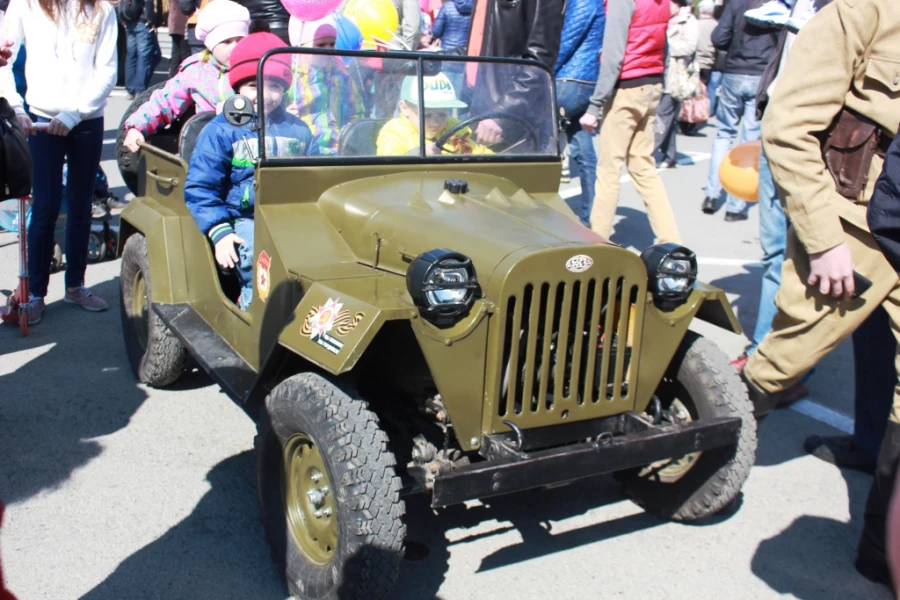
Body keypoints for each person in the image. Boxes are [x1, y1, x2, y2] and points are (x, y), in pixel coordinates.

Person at [740, 0, 900, 589]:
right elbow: (787, 124)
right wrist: (824, 239)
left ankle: (881, 554)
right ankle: (683, 463)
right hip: (853, 231)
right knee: (783, 360)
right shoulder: (865, 10)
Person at [0, 0, 117, 324]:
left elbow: (107, 69)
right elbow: (4, 61)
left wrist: (75, 112)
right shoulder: (26, 5)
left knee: (81, 204)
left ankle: (76, 285)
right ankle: (35, 292)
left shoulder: (102, 10)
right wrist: (17, 109)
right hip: (40, 120)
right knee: (45, 206)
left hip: (86, 118)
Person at [184, 32, 318, 310]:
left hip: (287, 214)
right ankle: (252, 312)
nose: (264, 95)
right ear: (237, 88)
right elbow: (201, 187)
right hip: (242, 216)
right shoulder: (221, 131)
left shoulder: (298, 129)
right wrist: (219, 232)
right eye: (252, 84)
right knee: (258, 259)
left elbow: (315, 176)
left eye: (274, 86)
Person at [579, 0, 681, 245]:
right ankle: (671, 240)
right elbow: (662, 47)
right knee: (643, 166)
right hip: (651, 84)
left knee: (608, 169)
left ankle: (598, 241)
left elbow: (613, 57)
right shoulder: (661, 3)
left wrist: (594, 106)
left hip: (625, 89)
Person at [122, 0, 251, 153]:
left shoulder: (255, 68)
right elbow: (165, 100)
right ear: (211, 44)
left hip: (250, 146)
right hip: (208, 150)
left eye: (240, 40)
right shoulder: (197, 71)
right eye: (227, 41)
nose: (235, 47)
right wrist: (137, 127)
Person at [700, 0, 777, 221]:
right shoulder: (779, 5)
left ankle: (712, 194)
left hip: (734, 71)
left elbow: (718, 37)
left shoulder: (737, 3)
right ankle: (736, 203)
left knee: (724, 134)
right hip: (762, 74)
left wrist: (736, 45)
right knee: (750, 138)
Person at [465, 0, 564, 146]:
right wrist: (431, 59)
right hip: (476, 107)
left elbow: (540, 59)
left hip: (513, 121)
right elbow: (481, 47)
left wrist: (501, 113)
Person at [554, 0, 604, 228]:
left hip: (570, 79)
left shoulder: (584, 1)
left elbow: (566, 41)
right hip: (585, 80)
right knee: (585, 154)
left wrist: (541, 71)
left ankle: (534, 214)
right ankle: (591, 218)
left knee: (534, 144)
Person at [286, 15, 366, 155]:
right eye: (321, 45)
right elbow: (270, 113)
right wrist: (284, 115)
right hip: (302, 152)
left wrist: (348, 136)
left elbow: (356, 112)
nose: (328, 50)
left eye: (332, 44)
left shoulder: (341, 76)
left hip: (339, 152)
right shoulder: (288, 77)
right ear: (300, 46)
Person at [376, 72, 491, 156]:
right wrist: (415, 155)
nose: (436, 122)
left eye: (442, 114)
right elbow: (387, 164)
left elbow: (481, 152)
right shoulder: (394, 132)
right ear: (405, 108)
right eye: (427, 115)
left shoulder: (454, 128)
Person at [653, 0, 698, 168]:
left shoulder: (688, 20)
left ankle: (648, 154)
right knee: (668, 118)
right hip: (659, 72)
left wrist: (665, 45)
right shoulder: (662, 18)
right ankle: (670, 155)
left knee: (661, 117)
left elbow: (690, 47)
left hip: (675, 76)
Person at [118, 0, 160, 100]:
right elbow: (148, 3)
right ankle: (140, 89)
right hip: (142, 22)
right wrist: (151, 20)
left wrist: (121, 19)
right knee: (144, 56)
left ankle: (130, 89)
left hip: (128, 21)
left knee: (131, 55)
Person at [168, 0, 191, 78]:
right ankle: (184, 77)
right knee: (185, 54)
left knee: (176, 53)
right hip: (183, 22)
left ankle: (172, 77)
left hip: (174, 21)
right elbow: (187, 6)